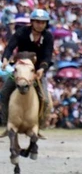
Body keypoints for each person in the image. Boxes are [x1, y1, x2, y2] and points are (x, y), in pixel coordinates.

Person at [0, 9, 53, 138]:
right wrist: (6, 59)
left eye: (43, 22)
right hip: (20, 72)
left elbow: (47, 56)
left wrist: (42, 69)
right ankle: (8, 124)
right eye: (37, 22)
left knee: (45, 100)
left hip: (37, 72)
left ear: (46, 24)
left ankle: (38, 126)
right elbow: (10, 47)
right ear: (32, 22)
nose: (40, 25)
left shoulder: (48, 37)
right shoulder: (21, 32)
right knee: (3, 93)